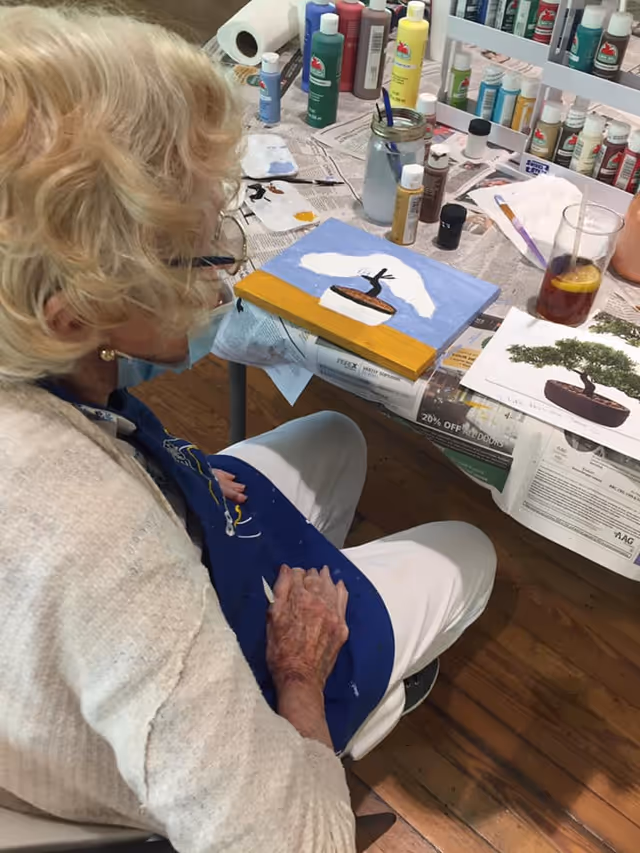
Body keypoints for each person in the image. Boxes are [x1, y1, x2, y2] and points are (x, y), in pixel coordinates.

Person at [0, 6, 497, 852]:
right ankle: (359, 700)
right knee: (469, 555)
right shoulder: (98, 540)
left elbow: (120, 386)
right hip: (119, 758)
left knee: (336, 434)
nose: (227, 264)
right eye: (203, 248)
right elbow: (288, 840)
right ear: (76, 312)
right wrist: (298, 677)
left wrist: (168, 478)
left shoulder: (43, 350)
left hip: (139, 550)